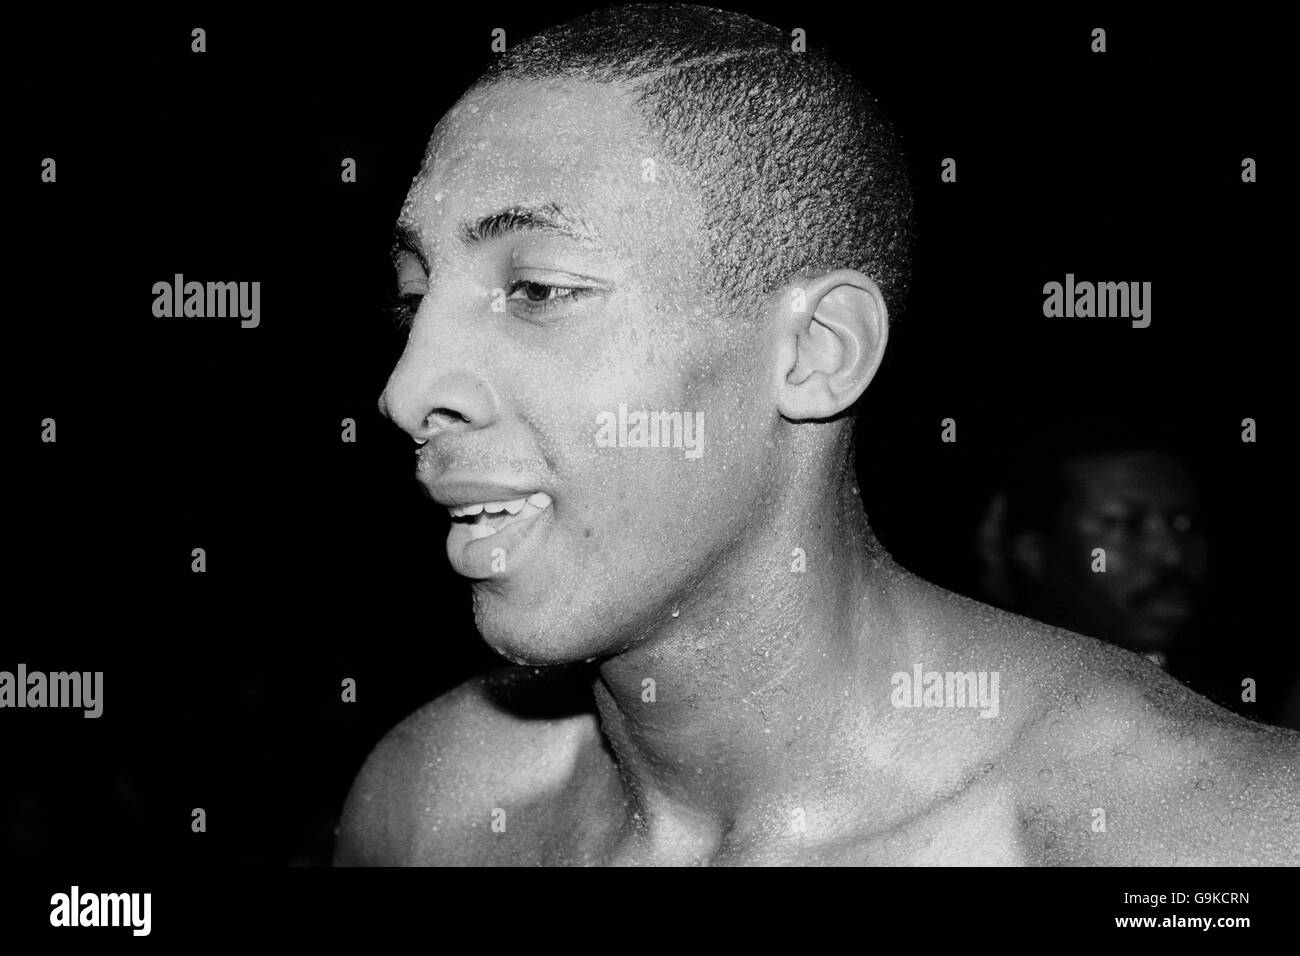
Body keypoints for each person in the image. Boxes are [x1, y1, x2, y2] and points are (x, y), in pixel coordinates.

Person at [336, 4, 1299, 865]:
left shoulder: (1201, 839)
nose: (406, 390)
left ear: (816, 352)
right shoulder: (434, 808)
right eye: (412, 301)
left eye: (538, 290)